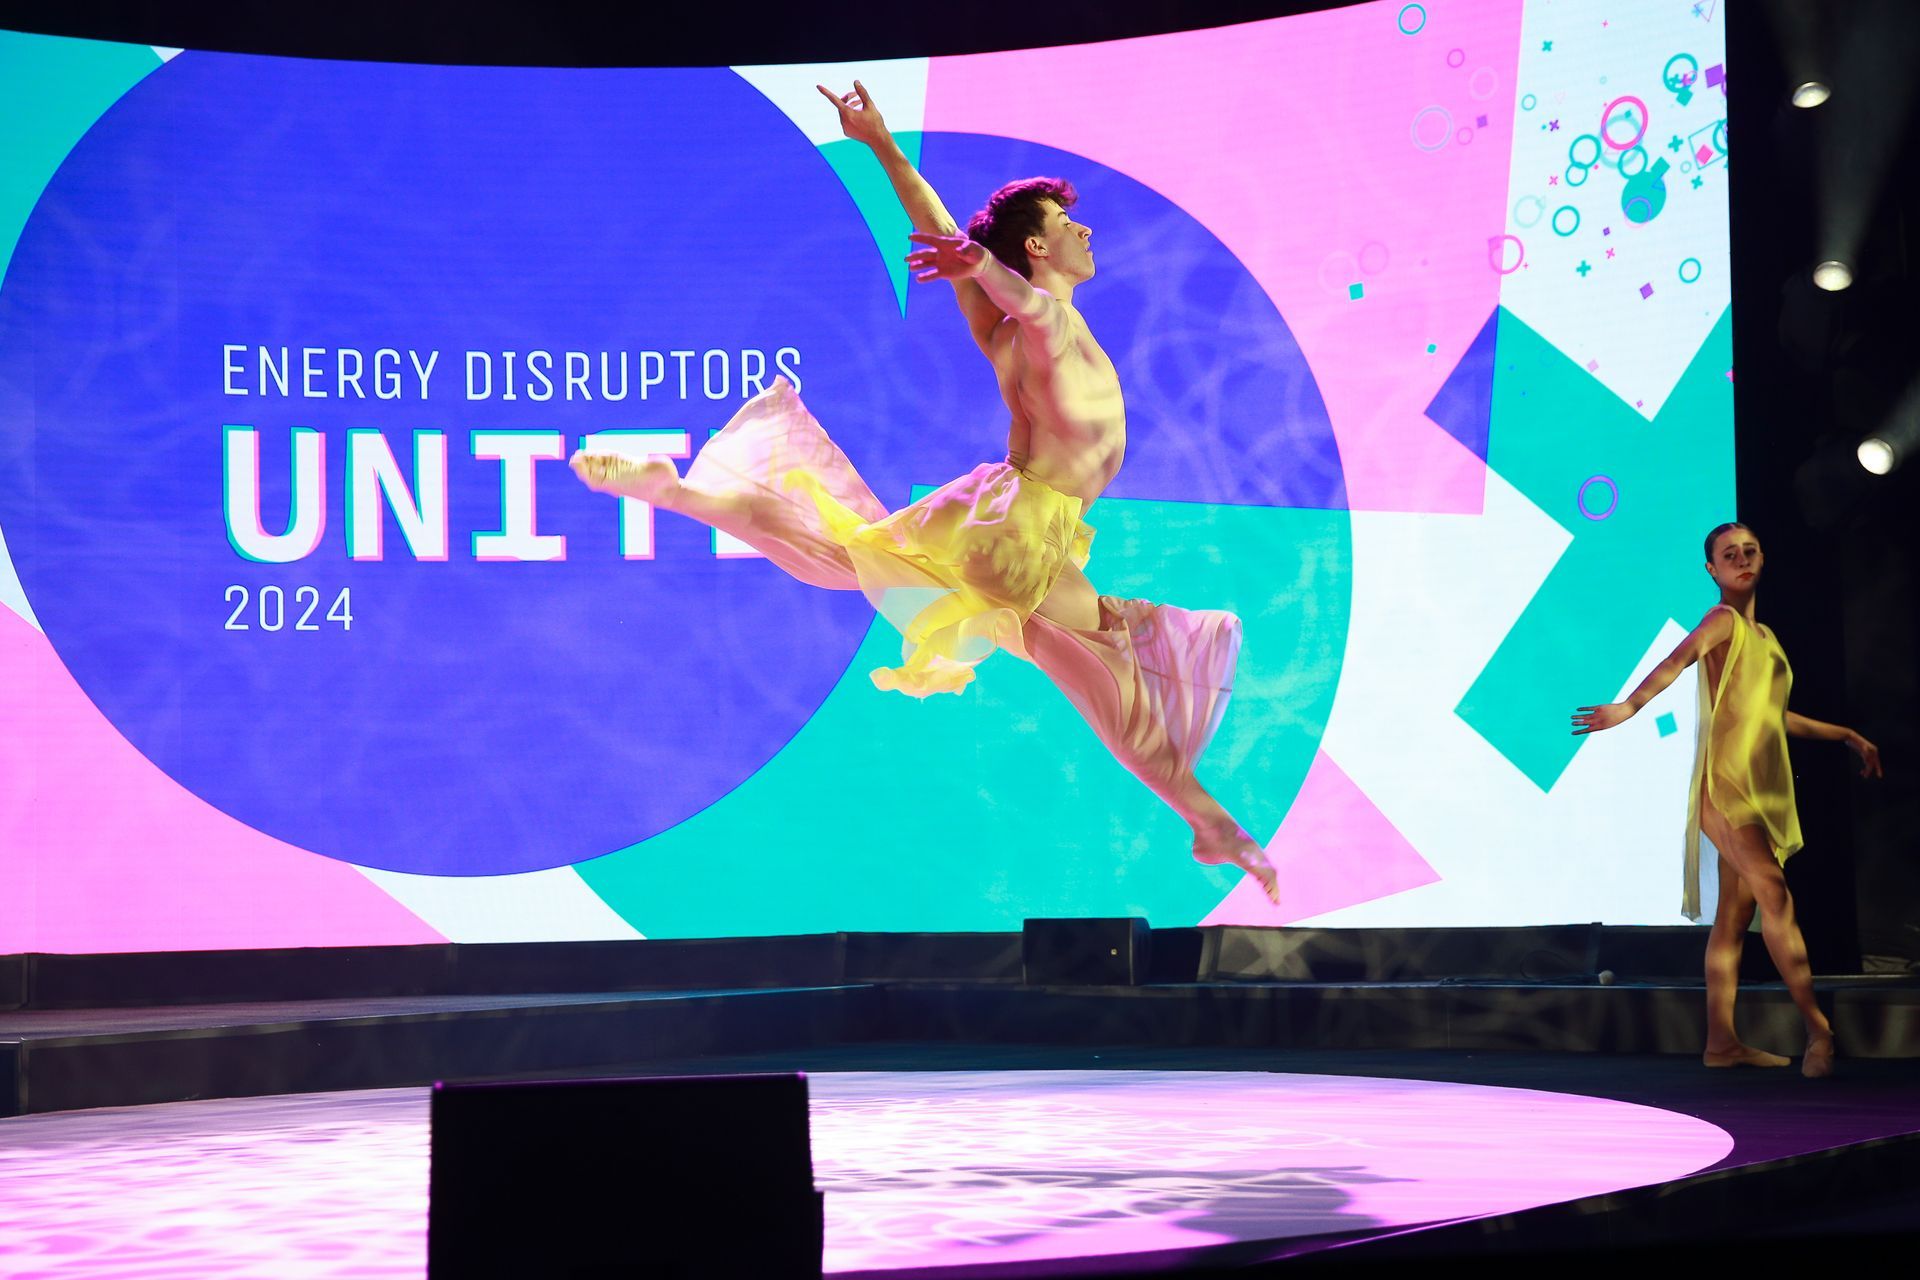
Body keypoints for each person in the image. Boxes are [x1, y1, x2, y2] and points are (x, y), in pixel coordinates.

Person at [570, 80, 1280, 902]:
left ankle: (682, 493)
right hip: (1024, 528)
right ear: (1039, 252)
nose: (1085, 230)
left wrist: (881, 147)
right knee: (1109, 688)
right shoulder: (1043, 320)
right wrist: (981, 259)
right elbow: (998, 277)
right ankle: (1208, 823)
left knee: (846, 552)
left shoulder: (1003, 328)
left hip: (1001, 511)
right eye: (1064, 225)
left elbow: (944, 237)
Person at [1572, 522, 1882, 1077]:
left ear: (1762, 560)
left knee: (1733, 921)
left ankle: (1721, 1043)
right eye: (1728, 554)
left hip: (1760, 793)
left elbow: (1774, 718)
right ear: (1712, 570)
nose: (1741, 559)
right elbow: (1676, 662)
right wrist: (1628, 708)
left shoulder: (1767, 641)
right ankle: (1819, 1030)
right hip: (1725, 789)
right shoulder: (1722, 622)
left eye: (1750, 551)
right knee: (1775, 896)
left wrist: (1844, 734)